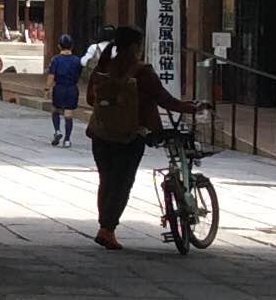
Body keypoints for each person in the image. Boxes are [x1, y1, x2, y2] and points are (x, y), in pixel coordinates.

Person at [82, 24, 201, 250]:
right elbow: (165, 100)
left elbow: (90, 99)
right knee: (122, 183)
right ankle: (107, 229)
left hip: (101, 134)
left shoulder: (103, 67)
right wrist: (190, 107)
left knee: (107, 181)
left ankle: (105, 226)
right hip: (130, 136)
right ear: (136, 46)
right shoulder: (142, 71)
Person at [47, 34, 83, 147]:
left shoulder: (56, 59)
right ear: (72, 46)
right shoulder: (77, 60)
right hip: (72, 88)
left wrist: (47, 88)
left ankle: (57, 131)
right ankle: (67, 140)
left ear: (59, 46)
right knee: (68, 114)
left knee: (55, 110)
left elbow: (51, 75)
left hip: (59, 87)